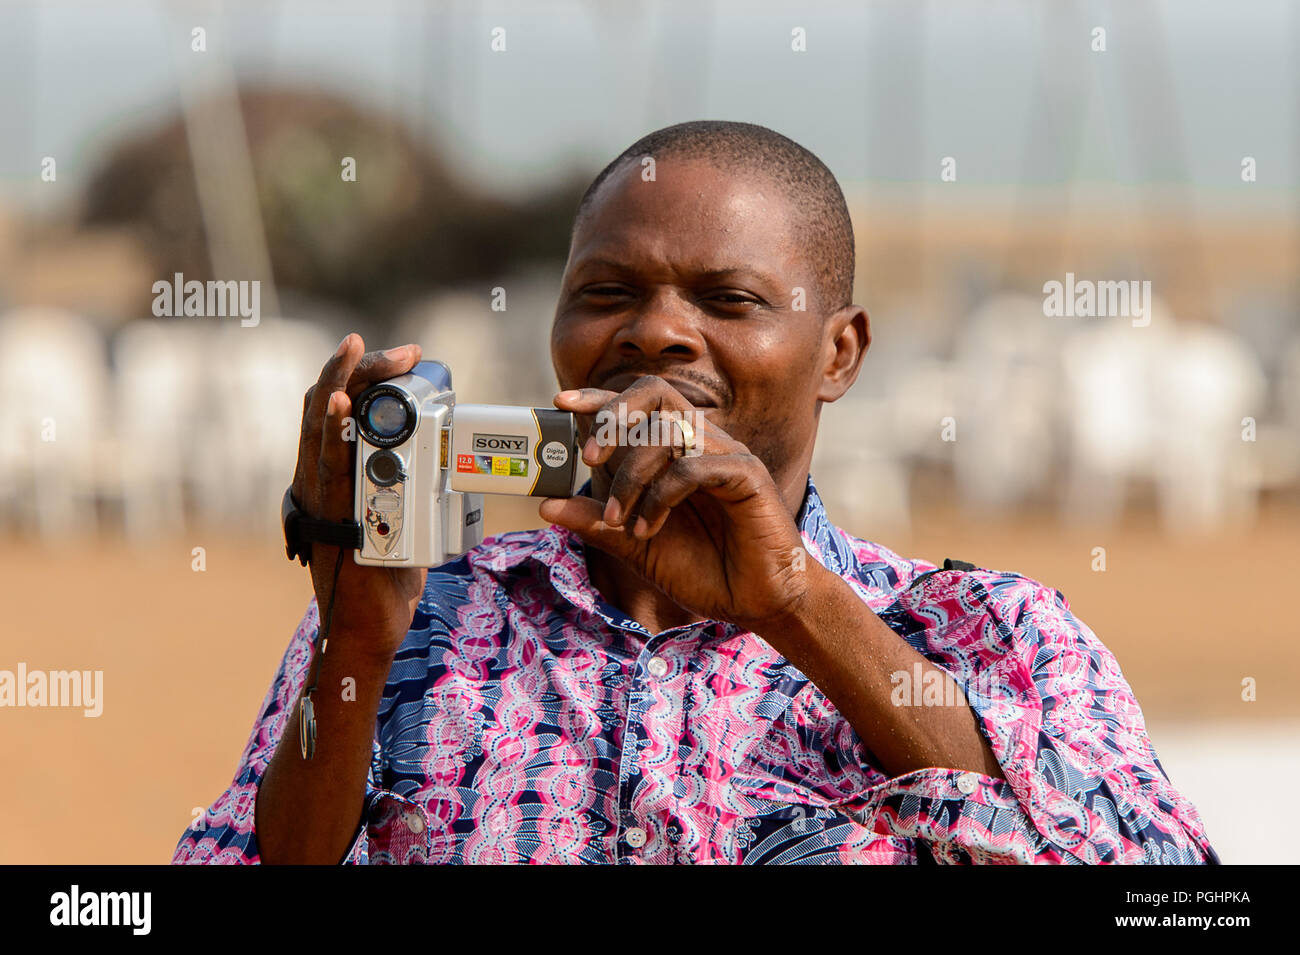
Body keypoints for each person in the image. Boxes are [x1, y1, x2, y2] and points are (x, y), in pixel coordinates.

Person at [173, 121, 1217, 864]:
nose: (658, 332)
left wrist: (797, 604)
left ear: (840, 353)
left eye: (729, 299)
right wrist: (352, 651)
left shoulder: (992, 632)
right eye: (606, 292)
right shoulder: (420, 615)